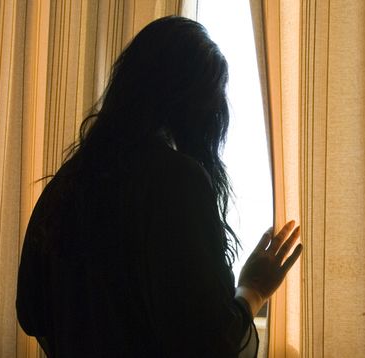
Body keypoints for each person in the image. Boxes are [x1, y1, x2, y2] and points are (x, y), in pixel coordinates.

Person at [16, 16, 302, 357]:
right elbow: (209, 343)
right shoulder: (177, 182)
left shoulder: (66, 183)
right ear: (198, 106)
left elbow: (31, 314)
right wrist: (253, 289)